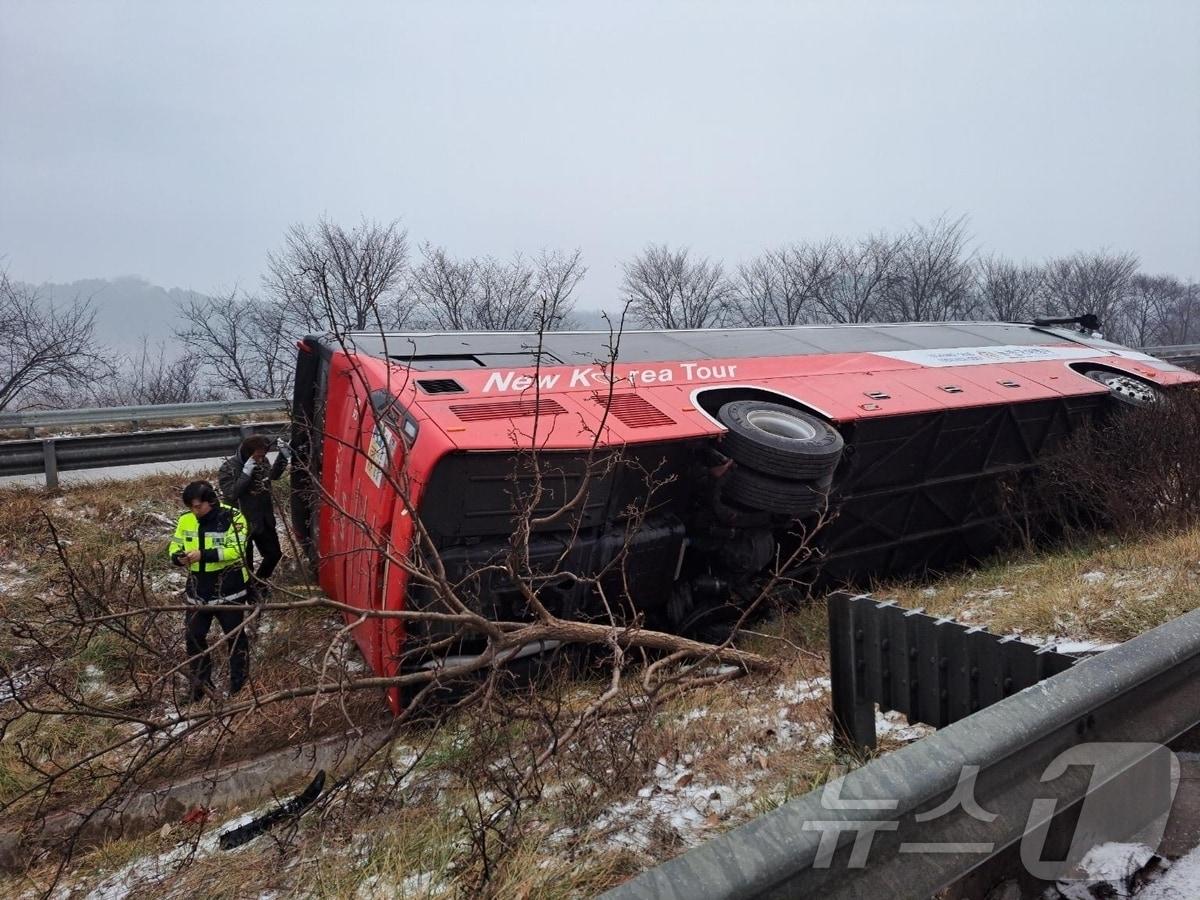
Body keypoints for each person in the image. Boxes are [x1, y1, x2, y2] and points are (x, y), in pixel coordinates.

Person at [168, 481, 252, 700]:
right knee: (193, 637)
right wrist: (178, 557)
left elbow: (237, 550)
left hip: (229, 589)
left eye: (197, 507)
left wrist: (204, 555)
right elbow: (175, 546)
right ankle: (201, 687)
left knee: (234, 637)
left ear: (210, 501)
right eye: (191, 507)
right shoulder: (186, 519)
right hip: (198, 589)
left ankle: (239, 686)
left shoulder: (233, 518)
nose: (194, 512)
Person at [218, 434, 291, 599]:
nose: (261, 459)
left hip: (263, 518)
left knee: (274, 554)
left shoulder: (262, 461)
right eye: (257, 455)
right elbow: (231, 493)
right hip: (242, 522)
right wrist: (245, 474)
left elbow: (272, 476)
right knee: (247, 563)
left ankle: (259, 583)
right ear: (247, 453)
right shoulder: (228, 467)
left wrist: (283, 458)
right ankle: (251, 594)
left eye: (263, 455)